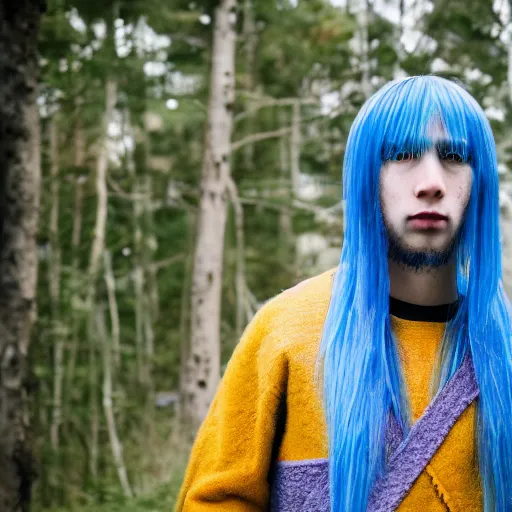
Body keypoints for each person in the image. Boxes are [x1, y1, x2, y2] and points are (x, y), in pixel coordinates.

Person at [175, 76, 512, 511]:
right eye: (401, 154)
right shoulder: (287, 332)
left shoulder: (504, 350)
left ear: (480, 182)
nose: (431, 182)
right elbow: (214, 500)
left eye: (453, 156)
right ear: (365, 178)